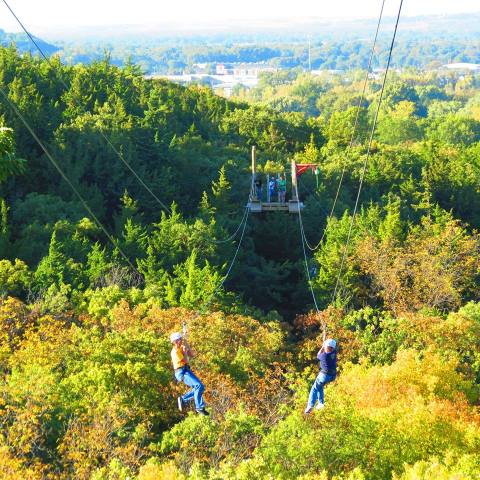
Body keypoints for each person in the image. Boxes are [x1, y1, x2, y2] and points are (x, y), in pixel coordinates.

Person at [170, 332, 209, 416]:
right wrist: (184, 352)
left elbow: (192, 355)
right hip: (181, 372)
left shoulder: (181, 347)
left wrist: (187, 346)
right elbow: (186, 360)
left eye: (180, 339)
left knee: (200, 386)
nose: (179, 341)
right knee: (198, 386)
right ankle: (199, 407)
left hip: (186, 370)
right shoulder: (175, 352)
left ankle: (183, 399)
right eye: (178, 340)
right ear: (174, 342)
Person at [305, 338, 337, 413]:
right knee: (320, 386)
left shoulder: (324, 356)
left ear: (326, 347)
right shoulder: (334, 353)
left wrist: (322, 346)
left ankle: (310, 405)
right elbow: (330, 348)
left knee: (314, 388)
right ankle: (321, 403)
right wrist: (325, 345)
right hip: (332, 376)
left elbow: (318, 355)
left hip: (324, 375)